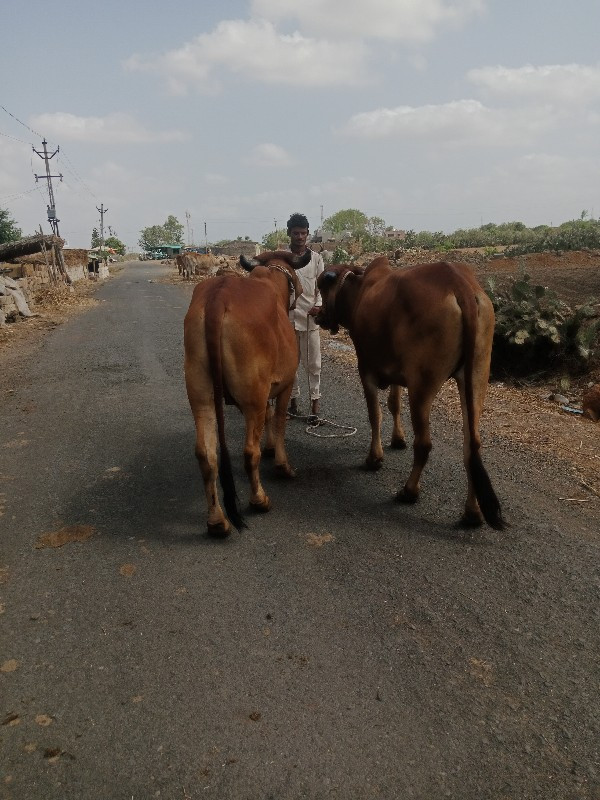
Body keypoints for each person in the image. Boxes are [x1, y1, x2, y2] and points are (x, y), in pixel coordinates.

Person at [286, 212, 325, 419]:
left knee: (314, 364)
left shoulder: (317, 259)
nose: (299, 237)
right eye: (295, 233)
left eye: (303, 233)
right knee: (290, 365)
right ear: (289, 234)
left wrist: (318, 306)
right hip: (288, 320)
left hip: (311, 320)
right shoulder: (282, 260)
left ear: (308, 234)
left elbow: (321, 289)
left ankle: (315, 407)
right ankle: (292, 403)